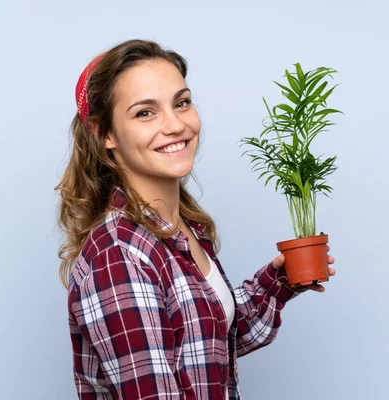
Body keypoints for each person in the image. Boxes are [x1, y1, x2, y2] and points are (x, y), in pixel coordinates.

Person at [56, 39, 336, 400]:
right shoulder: (119, 256)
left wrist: (279, 282)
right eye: (145, 112)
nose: (175, 125)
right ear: (104, 133)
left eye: (181, 103)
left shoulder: (181, 231)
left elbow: (209, 345)